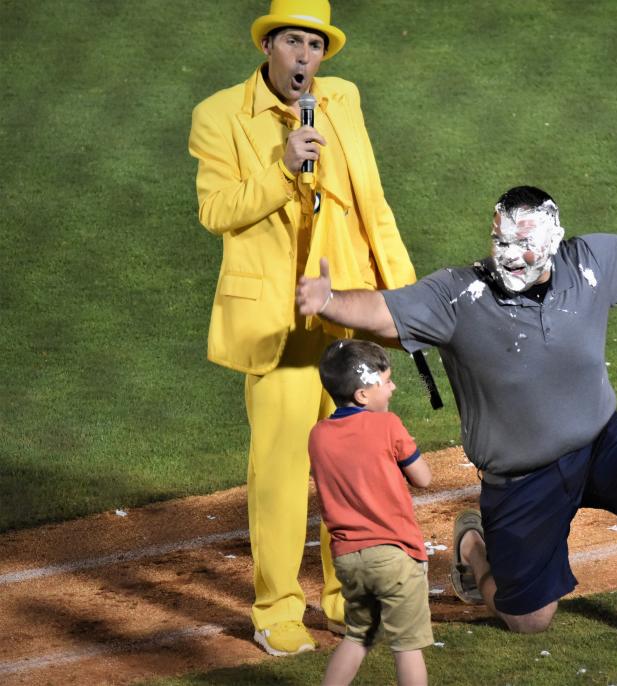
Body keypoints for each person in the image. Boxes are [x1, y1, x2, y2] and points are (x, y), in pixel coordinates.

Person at [295, 185, 617, 664]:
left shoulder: (590, 263)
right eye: (500, 240)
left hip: (598, 437)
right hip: (521, 476)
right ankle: (473, 547)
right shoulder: (458, 295)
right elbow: (384, 311)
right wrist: (331, 301)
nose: (508, 254)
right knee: (528, 620)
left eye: (522, 242)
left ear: (553, 240)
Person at [187, 0, 417, 656]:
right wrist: (282, 167)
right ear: (268, 47)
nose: (304, 59)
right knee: (283, 467)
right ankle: (276, 606)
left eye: (315, 47)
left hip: (346, 311)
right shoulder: (218, 116)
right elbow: (215, 210)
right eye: (293, 43)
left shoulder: (341, 99)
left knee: (356, 461)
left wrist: (400, 300)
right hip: (278, 320)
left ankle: (346, 593)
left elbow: (372, 202)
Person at [309, 339, 433, 685]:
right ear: (363, 394)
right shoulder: (388, 424)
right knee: (407, 647)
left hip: (349, 561)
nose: (392, 387)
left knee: (358, 636)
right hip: (395, 556)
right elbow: (423, 478)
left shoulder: (317, 436)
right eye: (387, 380)